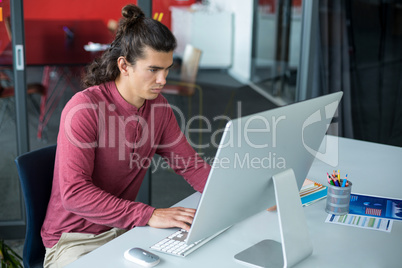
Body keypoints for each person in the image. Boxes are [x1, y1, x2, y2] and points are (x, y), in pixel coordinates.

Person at [41, 4, 210, 267]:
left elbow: (190, 165)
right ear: (124, 66)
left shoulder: (159, 108)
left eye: (167, 69)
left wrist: (243, 196)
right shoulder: (85, 108)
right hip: (73, 240)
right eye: (153, 69)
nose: (163, 79)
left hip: (123, 230)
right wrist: (148, 214)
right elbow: (74, 193)